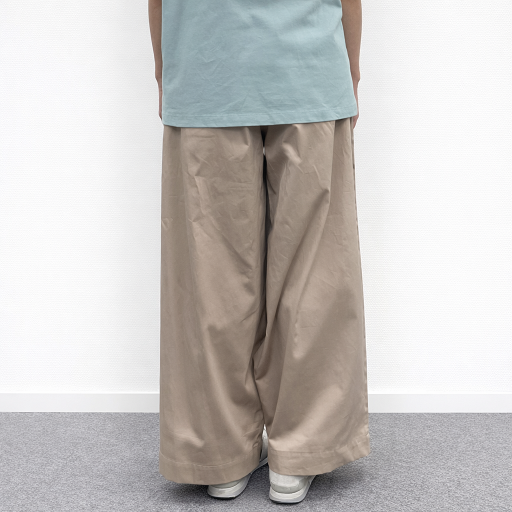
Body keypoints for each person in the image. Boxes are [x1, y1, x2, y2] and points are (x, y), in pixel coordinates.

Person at [148, 0, 370, 504]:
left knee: (210, 277)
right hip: (309, 66)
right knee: (314, 272)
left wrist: (165, 68)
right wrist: (351, 68)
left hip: (206, 67)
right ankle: (302, 451)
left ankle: (219, 454)